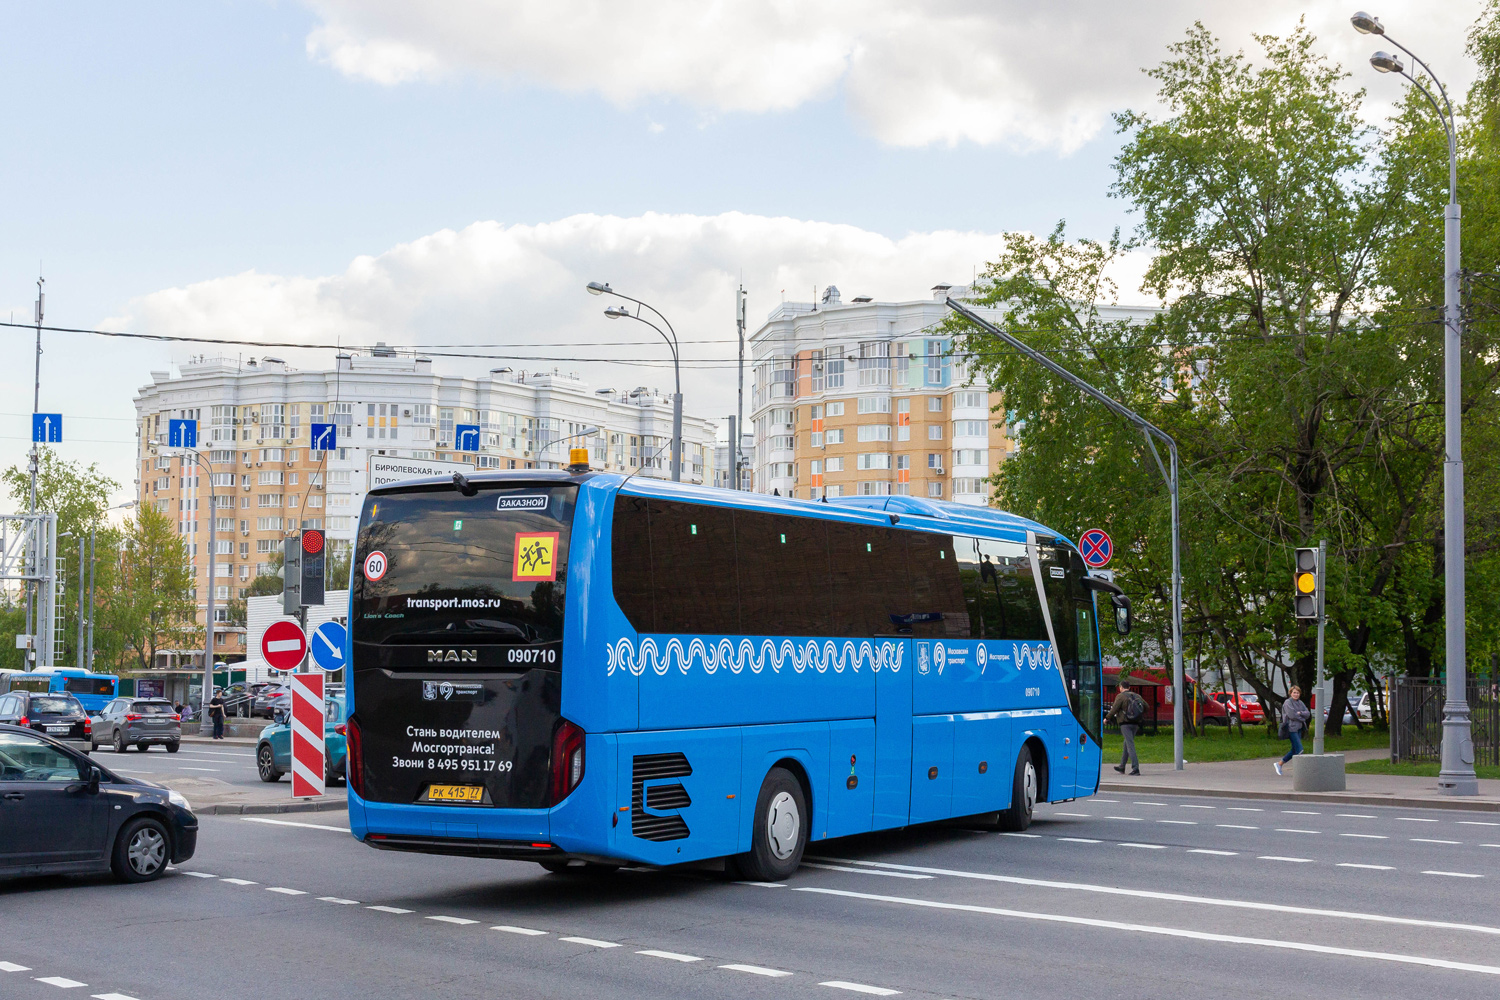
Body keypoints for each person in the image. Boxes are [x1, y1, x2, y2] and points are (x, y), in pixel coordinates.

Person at [1106, 677, 1147, 775]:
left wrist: (1107, 718)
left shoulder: (1120, 696)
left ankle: (1135, 768)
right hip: (1135, 723)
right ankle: (1122, 766)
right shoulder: (1137, 696)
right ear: (1129, 687)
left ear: (1121, 687)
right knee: (1127, 743)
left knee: (1130, 745)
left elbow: (1114, 709)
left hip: (1125, 723)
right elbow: (1146, 706)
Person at [1275, 685, 1311, 775]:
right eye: (1294, 692)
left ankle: (1279, 764)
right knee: (1300, 749)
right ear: (1290, 693)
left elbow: (1308, 714)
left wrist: (1300, 713)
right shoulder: (1288, 702)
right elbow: (1292, 715)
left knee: (1295, 750)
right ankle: (1301, 771)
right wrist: (1301, 717)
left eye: (1297, 693)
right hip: (1291, 728)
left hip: (1299, 728)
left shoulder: (1300, 702)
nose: (1296, 694)